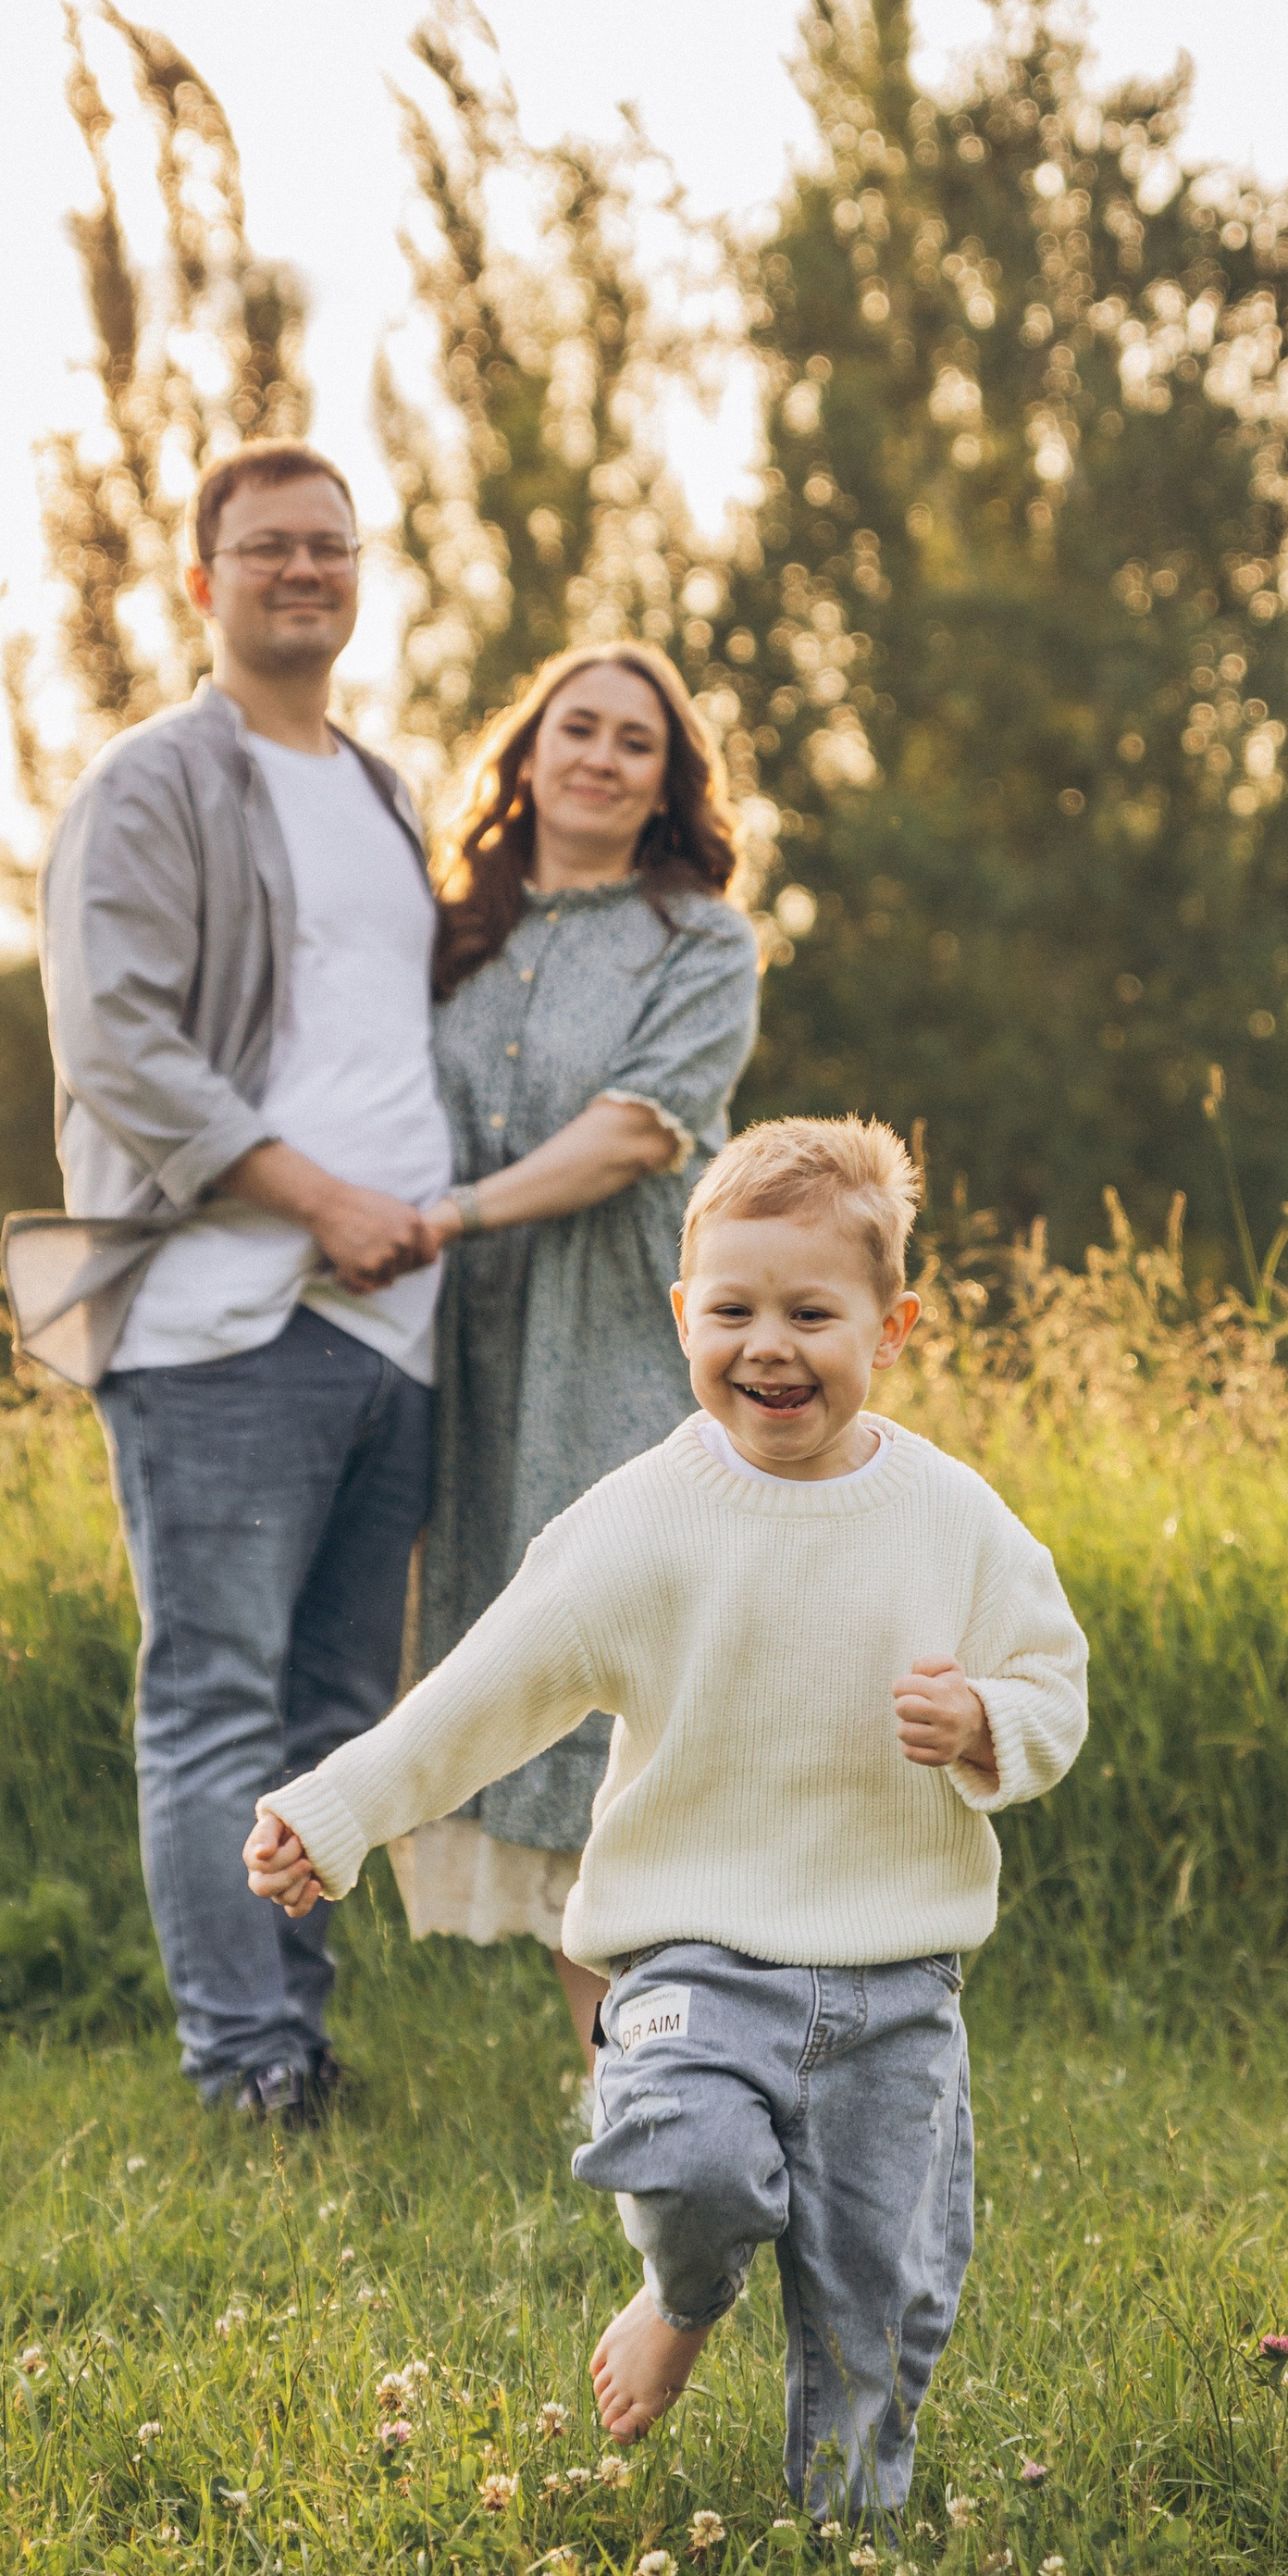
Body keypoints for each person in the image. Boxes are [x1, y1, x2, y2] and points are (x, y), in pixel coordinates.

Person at [243, 1116, 1089, 2518]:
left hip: (896, 1981)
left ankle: (853, 2538)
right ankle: (681, 2300)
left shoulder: (955, 1520)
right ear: (683, 1314)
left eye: (814, 1313)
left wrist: (991, 1724)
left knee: (884, 2295)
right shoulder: (643, 1522)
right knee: (688, 2159)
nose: (771, 1347)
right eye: (736, 1311)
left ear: (896, 1327)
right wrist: (335, 1812)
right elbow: (482, 1696)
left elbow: (1055, 1685)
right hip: (691, 1962)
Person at [25, 440, 451, 2125]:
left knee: (337, 1713)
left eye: (331, 548)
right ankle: (245, 2065)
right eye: (268, 547)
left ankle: (300, 2037)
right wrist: (319, 1199)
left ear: (359, 578)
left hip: (392, 1323)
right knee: (214, 1698)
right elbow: (116, 1043)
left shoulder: (386, 788)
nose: (304, 571)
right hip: (218, 1315)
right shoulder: (150, 786)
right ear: (201, 583)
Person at [394, 643, 760, 2067]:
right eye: (578, 730)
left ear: (669, 783)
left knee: (632, 1673)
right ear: (527, 755)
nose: (603, 758)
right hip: (476, 1351)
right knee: (528, 1673)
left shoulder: (699, 940)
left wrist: (452, 1213)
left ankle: (670, 2082)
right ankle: (622, 2086)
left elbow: (634, 1132)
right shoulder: (453, 933)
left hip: (616, 1334)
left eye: (638, 743)